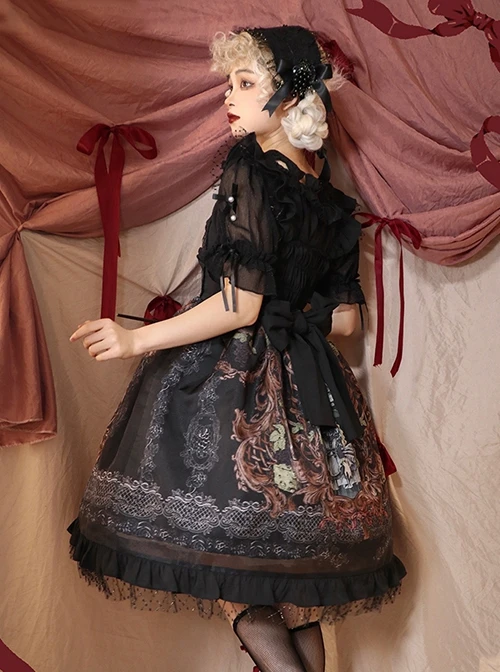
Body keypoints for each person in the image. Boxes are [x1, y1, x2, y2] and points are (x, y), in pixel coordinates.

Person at [68, 24, 407, 672]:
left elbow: (239, 305)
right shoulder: (328, 195)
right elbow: (345, 322)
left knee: (237, 578)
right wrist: (296, 316)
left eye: (245, 83)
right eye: (229, 82)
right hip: (314, 395)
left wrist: (135, 337)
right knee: (295, 592)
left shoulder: (249, 168)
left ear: (290, 97)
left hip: (239, 388)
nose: (228, 96)